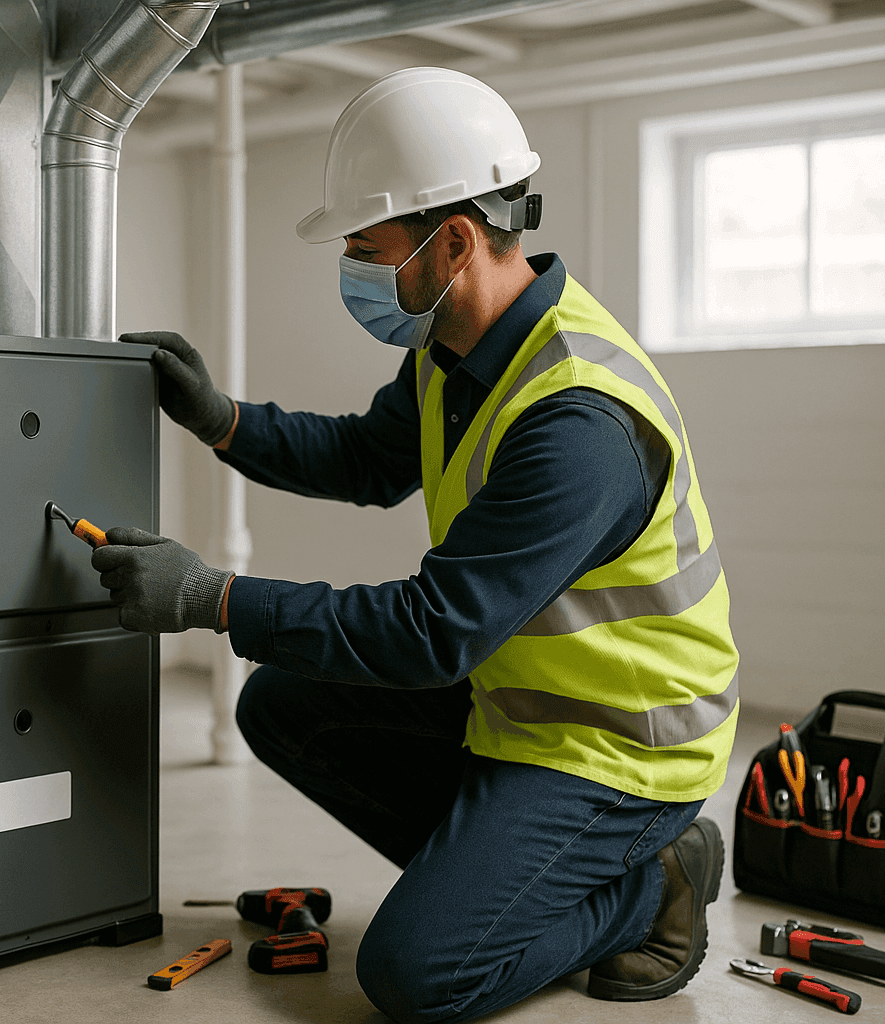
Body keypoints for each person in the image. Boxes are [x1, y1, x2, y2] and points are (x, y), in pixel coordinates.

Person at [90, 67, 740, 1023]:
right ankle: (500, 886)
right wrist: (220, 418)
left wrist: (210, 598)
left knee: (417, 975)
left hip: (615, 746)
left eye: (365, 244)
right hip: (516, 700)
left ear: (456, 240)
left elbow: (429, 632)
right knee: (283, 704)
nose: (351, 265)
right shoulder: (454, 348)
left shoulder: (579, 423)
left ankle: (655, 888)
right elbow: (366, 457)